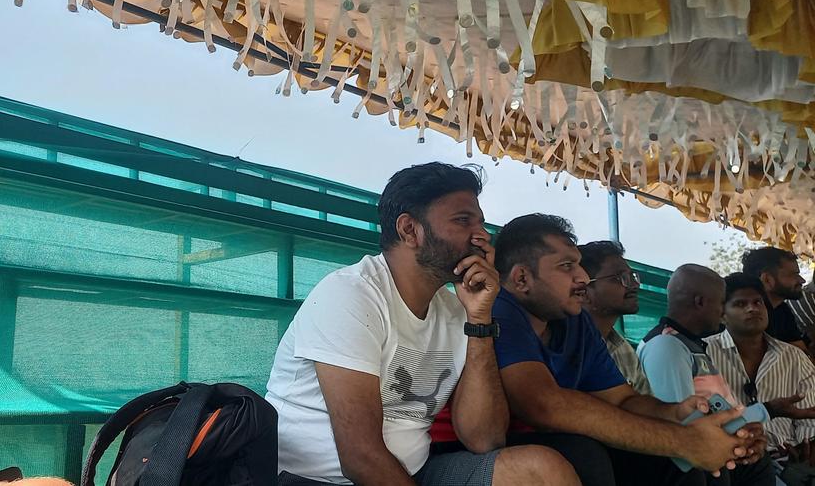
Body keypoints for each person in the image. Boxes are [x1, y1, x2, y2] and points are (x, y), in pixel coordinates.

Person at [266, 163, 578, 486]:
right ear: (409, 231)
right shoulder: (350, 295)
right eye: (462, 221)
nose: (483, 236)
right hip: (316, 479)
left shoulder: (456, 311)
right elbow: (360, 457)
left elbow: (484, 438)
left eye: (481, 223)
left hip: (414, 473)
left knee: (543, 471)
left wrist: (480, 319)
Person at [475, 214, 749, 486]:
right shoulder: (499, 310)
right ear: (521, 278)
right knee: (584, 455)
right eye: (567, 265)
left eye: (579, 265)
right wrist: (683, 441)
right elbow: (543, 405)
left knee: (676, 463)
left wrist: (675, 414)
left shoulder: (575, 321)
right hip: (497, 452)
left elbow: (621, 400)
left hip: (564, 442)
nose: (582, 277)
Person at [637, 265, 773, 485]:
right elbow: (683, 424)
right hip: (696, 463)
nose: (723, 311)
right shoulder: (666, 346)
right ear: (700, 302)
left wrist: (745, 432)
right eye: (721, 303)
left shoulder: (689, 344)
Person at [704, 274, 815, 469]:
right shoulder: (703, 354)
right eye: (740, 304)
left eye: (758, 302)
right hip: (729, 461)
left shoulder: (794, 357)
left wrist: (803, 449)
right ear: (722, 315)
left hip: (791, 462)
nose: (752, 308)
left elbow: (809, 416)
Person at [579, 240, 652, 395]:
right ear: (584, 292)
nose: (634, 285)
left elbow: (641, 403)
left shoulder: (622, 348)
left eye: (632, 276)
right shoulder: (567, 348)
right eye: (620, 277)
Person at [741, 247, 808, 352]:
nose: (802, 280)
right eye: (794, 275)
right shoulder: (747, 319)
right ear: (767, 280)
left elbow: (801, 351)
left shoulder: (782, 310)